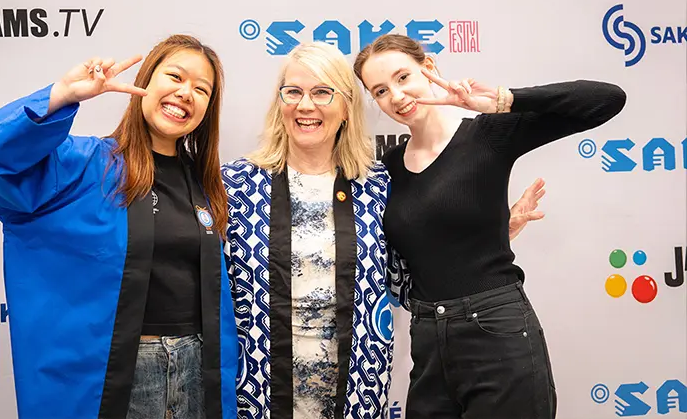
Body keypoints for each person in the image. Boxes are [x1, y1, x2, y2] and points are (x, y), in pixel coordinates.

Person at [222, 42, 546, 419]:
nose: (305, 105)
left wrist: (491, 234)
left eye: (322, 92)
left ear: (346, 107)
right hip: (258, 392)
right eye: (293, 92)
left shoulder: (376, 185)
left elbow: (411, 278)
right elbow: (205, 288)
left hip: (357, 392)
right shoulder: (235, 186)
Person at [0, 35, 237, 419]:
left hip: (196, 370)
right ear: (146, 81)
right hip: (120, 376)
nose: (186, 93)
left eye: (201, 89)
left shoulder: (204, 183)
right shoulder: (84, 166)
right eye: (175, 77)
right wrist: (63, 95)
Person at [353, 34, 627, 419]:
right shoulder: (388, 169)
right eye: (380, 90)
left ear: (428, 68)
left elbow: (606, 100)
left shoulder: (486, 134)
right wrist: (498, 228)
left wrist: (503, 100)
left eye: (403, 77)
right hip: (428, 340)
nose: (396, 96)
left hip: (495, 331)